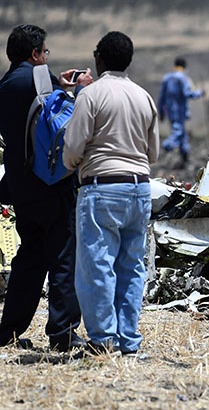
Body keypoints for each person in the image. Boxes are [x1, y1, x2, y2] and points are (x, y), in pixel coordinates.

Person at [63, 31, 159, 356]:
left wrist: (71, 162)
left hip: (101, 187)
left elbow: (73, 148)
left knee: (97, 265)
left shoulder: (90, 96)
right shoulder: (144, 97)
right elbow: (154, 152)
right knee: (131, 266)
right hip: (140, 187)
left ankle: (103, 339)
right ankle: (129, 340)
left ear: (99, 59)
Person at [0, 24, 92, 351]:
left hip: (20, 188)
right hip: (51, 186)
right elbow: (64, 119)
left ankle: (8, 331)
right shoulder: (40, 77)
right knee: (64, 258)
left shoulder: (6, 84)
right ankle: (63, 334)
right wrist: (78, 90)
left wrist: (57, 85)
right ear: (36, 53)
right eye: (45, 53)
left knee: (30, 257)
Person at [157, 57, 204, 169]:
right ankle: (165, 147)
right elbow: (188, 93)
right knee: (177, 132)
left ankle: (185, 158)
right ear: (184, 67)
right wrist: (200, 92)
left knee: (182, 135)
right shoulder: (183, 78)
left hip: (170, 111)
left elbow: (161, 97)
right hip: (180, 111)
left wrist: (161, 112)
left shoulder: (166, 78)